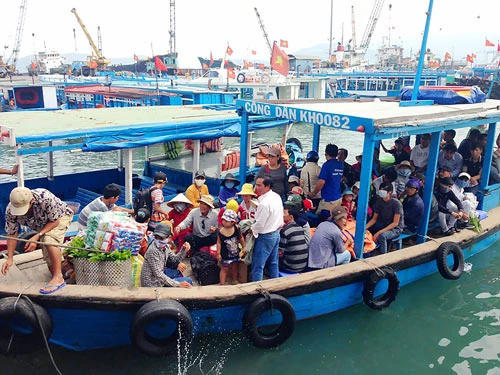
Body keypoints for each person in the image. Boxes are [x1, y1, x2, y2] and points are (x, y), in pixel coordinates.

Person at [2, 187, 74, 294]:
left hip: (60, 217)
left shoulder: (44, 197)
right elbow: (12, 234)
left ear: (32, 201)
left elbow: (55, 221)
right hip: (42, 225)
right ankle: (66, 273)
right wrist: (10, 258)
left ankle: (58, 278)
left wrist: (37, 236)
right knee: (49, 259)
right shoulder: (10, 210)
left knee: (48, 239)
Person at [250, 175, 284, 281]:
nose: (257, 188)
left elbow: (260, 224)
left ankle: (257, 288)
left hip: (265, 236)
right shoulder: (276, 197)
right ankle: (275, 284)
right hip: (275, 233)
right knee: (273, 263)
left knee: (258, 266)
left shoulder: (264, 204)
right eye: (256, 185)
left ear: (267, 186)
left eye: (260, 185)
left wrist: (251, 228)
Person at [140, 223, 192, 288]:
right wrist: (177, 284)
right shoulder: (153, 250)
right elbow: (158, 274)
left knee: (178, 273)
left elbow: (175, 259)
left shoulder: (165, 247)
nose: (159, 241)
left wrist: (184, 249)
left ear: (169, 237)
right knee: (188, 281)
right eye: (157, 238)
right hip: (153, 284)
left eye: (162, 238)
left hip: (159, 276)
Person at [307, 205, 351, 269]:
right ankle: (341, 276)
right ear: (336, 219)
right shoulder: (336, 232)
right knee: (347, 254)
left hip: (310, 261)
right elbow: (340, 250)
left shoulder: (322, 224)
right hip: (321, 265)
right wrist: (348, 242)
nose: (345, 221)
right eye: (343, 218)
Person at [365, 182, 404, 254]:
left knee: (382, 236)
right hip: (383, 224)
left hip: (395, 228)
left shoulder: (396, 204)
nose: (381, 192)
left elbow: (395, 223)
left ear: (390, 192)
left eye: (383, 191)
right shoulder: (379, 202)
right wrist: (365, 228)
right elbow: (374, 219)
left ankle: (383, 255)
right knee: (370, 230)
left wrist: (379, 232)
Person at [308, 144, 343, 220]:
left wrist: (313, 193)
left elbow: (321, 182)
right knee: (335, 218)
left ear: (326, 154)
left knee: (321, 219)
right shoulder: (340, 164)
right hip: (338, 197)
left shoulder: (326, 165)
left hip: (328, 199)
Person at [216, 209, 246, 285]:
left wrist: (244, 247)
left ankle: (234, 280)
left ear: (232, 222)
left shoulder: (236, 228)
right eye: (223, 220)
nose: (224, 222)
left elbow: (241, 238)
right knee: (224, 269)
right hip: (225, 255)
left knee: (234, 267)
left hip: (235, 253)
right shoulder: (221, 231)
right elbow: (218, 243)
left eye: (226, 221)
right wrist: (218, 253)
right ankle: (222, 284)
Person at [279, 205, 309, 273]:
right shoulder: (300, 228)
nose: (282, 215)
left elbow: (280, 252)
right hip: (303, 265)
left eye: (284, 213)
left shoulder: (285, 231)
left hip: (290, 266)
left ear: (291, 217)